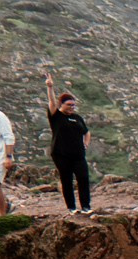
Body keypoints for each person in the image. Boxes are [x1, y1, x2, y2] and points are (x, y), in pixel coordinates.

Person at [43, 70, 91, 213]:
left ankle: (86, 206)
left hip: (78, 154)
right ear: (62, 104)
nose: (71, 107)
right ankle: (71, 207)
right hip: (61, 154)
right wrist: (50, 87)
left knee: (83, 178)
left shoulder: (77, 118)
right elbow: (51, 102)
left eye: (73, 105)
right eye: (69, 104)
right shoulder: (57, 116)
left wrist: (86, 143)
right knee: (67, 180)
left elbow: (87, 132)